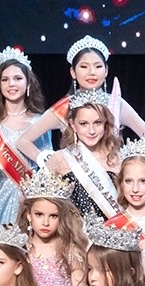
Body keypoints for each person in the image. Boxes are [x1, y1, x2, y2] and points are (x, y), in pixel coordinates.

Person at [17, 35, 145, 164]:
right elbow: (23, 141)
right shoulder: (64, 107)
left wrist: (126, 163)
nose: (92, 72)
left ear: (106, 71)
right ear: (73, 72)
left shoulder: (116, 104)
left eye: (98, 66)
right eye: (84, 66)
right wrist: (51, 162)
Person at [0, 46, 50, 225]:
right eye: (5, 79)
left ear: (28, 83)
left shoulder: (41, 122)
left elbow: (47, 165)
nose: (11, 84)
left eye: (18, 78)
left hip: (30, 199)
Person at [44, 90, 123, 220]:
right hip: (74, 230)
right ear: (73, 125)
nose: (91, 131)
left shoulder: (118, 159)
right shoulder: (60, 158)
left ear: (105, 124)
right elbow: (36, 200)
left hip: (112, 229)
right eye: (83, 124)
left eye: (97, 123)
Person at [16, 168, 87, 286]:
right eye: (39, 214)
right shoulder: (20, 250)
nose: (45, 222)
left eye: (53, 216)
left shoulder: (71, 252)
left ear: (62, 217)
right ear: (28, 215)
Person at [115, 139, 145, 236]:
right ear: (121, 183)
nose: (135, 189)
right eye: (128, 181)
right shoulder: (113, 225)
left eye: (143, 181)